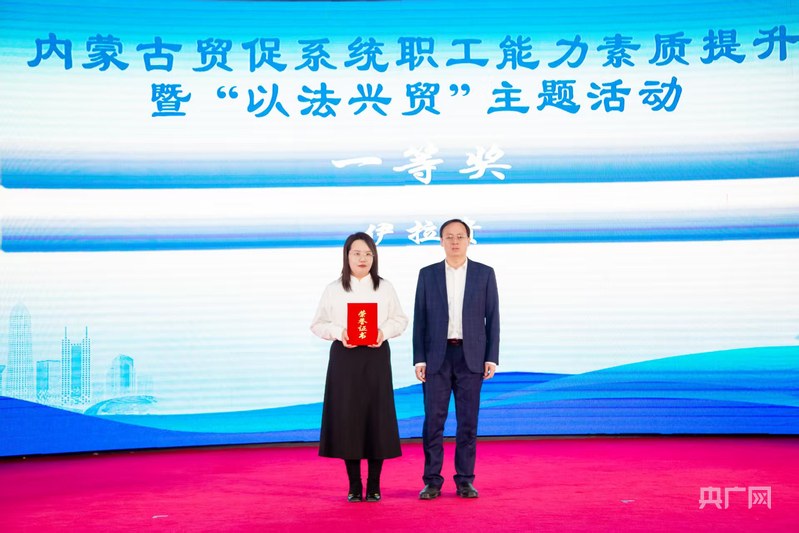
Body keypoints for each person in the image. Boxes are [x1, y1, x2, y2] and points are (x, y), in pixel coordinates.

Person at [311, 232, 408, 502]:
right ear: (347, 256)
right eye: (357, 253)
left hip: (376, 356)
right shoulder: (334, 289)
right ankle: (354, 485)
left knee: (377, 418)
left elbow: (400, 320)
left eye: (368, 253)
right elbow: (317, 324)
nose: (362, 258)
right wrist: (340, 332)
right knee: (348, 419)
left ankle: (374, 484)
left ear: (374, 257)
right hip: (345, 358)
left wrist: (382, 332)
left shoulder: (385, 287)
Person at [413, 218, 499, 500]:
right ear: (440, 241)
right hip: (436, 358)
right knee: (433, 422)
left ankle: (465, 480)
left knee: (468, 422)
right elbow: (420, 319)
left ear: (468, 240)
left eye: (460, 236)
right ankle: (432, 481)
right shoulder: (428, 274)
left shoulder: (484, 274)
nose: (454, 241)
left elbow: (493, 318)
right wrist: (419, 359)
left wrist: (491, 357)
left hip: (471, 357)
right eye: (449, 236)